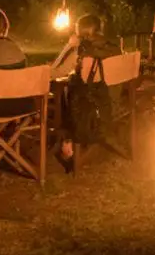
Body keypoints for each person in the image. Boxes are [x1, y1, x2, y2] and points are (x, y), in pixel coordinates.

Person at [53, 14, 122, 170]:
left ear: (80, 32)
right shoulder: (115, 48)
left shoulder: (81, 51)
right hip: (113, 105)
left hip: (88, 111)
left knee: (64, 92)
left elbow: (54, 72)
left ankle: (68, 144)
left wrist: (68, 46)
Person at [50, 13, 122, 77]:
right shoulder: (116, 50)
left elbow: (54, 72)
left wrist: (69, 46)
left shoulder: (80, 53)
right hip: (111, 91)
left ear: (82, 35)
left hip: (86, 90)